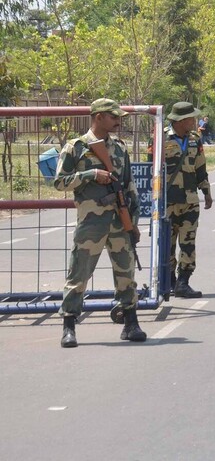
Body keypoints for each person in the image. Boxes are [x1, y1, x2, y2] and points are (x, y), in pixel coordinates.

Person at [54, 98, 145, 347]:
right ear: (98, 117)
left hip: (119, 221)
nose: (118, 121)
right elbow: (59, 182)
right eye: (113, 117)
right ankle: (69, 326)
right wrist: (90, 175)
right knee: (79, 274)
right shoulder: (76, 148)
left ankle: (131, 323)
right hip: (91, 222)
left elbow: (129, 186)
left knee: (126, 273)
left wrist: (133, 222)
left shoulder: (120, 148)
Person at [161, 102, 212, 298]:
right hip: (167, 202)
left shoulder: (195, 140)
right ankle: (170, 281)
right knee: (167, 244)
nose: (194, 121)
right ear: (180, 121)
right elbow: (151, 169)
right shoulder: (160, 139)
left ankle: (183, 282)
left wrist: (206, 191)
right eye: (191, 118)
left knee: (188, 243)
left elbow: (200, 167)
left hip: (190, 201)